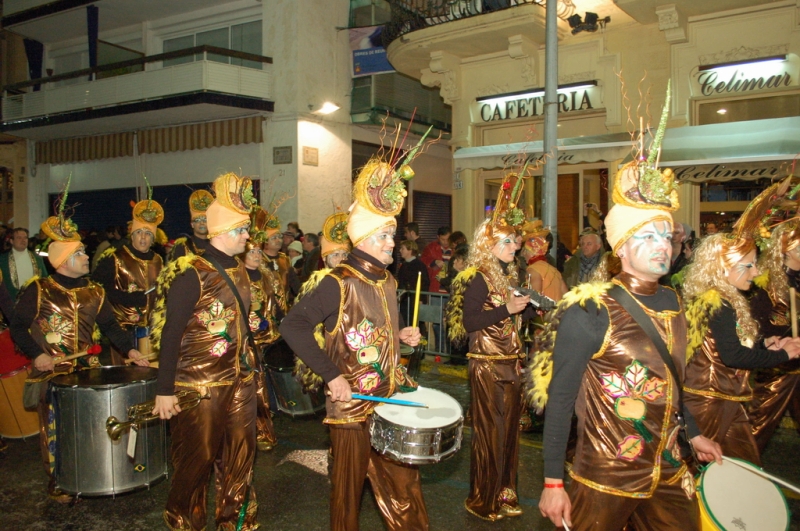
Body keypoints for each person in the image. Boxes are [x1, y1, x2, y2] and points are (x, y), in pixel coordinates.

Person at [531, 89, 723, 530]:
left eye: (666, 237)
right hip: (606, 475)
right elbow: (560, 399)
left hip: (670, 467)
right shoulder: (592, 310)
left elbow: (674, 381)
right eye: (647, 237)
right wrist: (553, 482)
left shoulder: (676, 302)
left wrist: (693, 431)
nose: (661, 248)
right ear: (620, 245)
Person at [281, 132, 431, 531]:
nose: (392, 244)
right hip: (349, 409)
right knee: (346, 494)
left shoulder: (387, 282)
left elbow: (371, 330)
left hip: (387, 400)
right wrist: (331, 375)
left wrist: (400, 338)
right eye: (384, 236)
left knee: (404, 488)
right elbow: (291, 325)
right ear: (363, 239)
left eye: (392, 236)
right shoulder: (337, 282)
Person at [11, 196, 147, 503]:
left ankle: (87, 474)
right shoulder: (40, 289)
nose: (86, 256)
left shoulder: (94, 291)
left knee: (87, 429)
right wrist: (38, 355)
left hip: (86, 373)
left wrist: (131, 352)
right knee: (55, 431)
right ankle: (58, 481)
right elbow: (18, 327)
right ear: (63, 260)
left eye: (84, 251)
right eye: (80, 253)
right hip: (53, 374)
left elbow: (112, 327)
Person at [150, 172, 259, 530]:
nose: (247, 236)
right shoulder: (192, 274)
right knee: (198, 457)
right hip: (200, 383)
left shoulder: (241, 269)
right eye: (242, 230)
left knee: (241, 453)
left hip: (241, 378)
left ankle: (235, 520)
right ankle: (182, 517)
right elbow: (171, 334)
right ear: (222, 232)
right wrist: (165, 390)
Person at [683, 180, 800, 466]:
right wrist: (782, 354)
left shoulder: (729, 299)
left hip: (728, 399)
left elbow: (737, 342)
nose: (757, 271)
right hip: (709, 402)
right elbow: (733, 355)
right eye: (748, 265)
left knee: (744, 465)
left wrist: (767, 342)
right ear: (724, 269)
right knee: (699, 470)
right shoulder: (717, 303)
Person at [447, 172, 536, 521]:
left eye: (516, 242)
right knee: (489, 433)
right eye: (509, 242)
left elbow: (512, 321)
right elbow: (469, 323)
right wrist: (507, 308)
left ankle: (505, 492)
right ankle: (483, 498)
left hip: (511, 361)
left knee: (511, 432)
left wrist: (526, 311)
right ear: (490, 244)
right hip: (486, 363)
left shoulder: (509, 275)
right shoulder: (477, 277)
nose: (515, 247)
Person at [92, 193, 164, 365]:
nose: (143, 237)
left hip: (152, 328)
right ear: (132, 235)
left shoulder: (158, 260)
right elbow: (96, 290)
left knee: (152, 372)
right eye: (139, 232)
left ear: (153, 238)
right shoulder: (115, 258)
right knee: (126, 375)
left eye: (148, 233)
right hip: (124, 330)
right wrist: (128, 298)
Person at [749, 219, 800, 452]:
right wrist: (769, 340)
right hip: (778, 367)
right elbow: (756, 323)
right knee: (757, 425)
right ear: (786, 251)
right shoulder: (767, 282)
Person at [243, 208, 280, 452]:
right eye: (252, 252)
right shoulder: (237, 277)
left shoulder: (268, 276)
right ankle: (256, 430)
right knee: (253, 387)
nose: (256, 255)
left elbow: (276, 306)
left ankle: (263, 424)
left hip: (268, 339)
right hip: (246, 343)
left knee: (265, 386)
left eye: (258, 251)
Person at [519, 220, 567, 302]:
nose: (522, 255)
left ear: (531, 252)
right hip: (556, 314)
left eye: (524, 251)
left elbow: (534, 300)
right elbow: (567, 297)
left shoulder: (533, 270)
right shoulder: (554, 270)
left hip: (543, 314)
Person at [0, 227, 48, 299]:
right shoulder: (3, 259)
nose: (23, 240)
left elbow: (45, 279)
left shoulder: (37, 258)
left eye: (25, 238)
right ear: (11, 241)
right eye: (19, 238)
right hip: (10, 300)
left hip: (33, 299)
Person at [168, 189, 214, 260]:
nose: (202, 223)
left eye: (205, 220)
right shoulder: (183, 246)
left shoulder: (217, 244)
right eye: (198, 220)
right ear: (192, 224)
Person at [397, 240, 430, 324]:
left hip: (414, 300)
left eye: (402, 248)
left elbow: (424, 282)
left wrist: (421, 299)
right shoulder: (403, 265)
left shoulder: (419, 265)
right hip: (404, 300)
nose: (400, 250)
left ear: (410, 250)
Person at [421, 226, 451, 293]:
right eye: (443, 239)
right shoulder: (430, 248)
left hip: (450, 288)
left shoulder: (455, 248)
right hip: (435, 286)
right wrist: (434, 262)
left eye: (448, 239)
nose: (445, 242)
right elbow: (423, 261)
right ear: (438, 237)